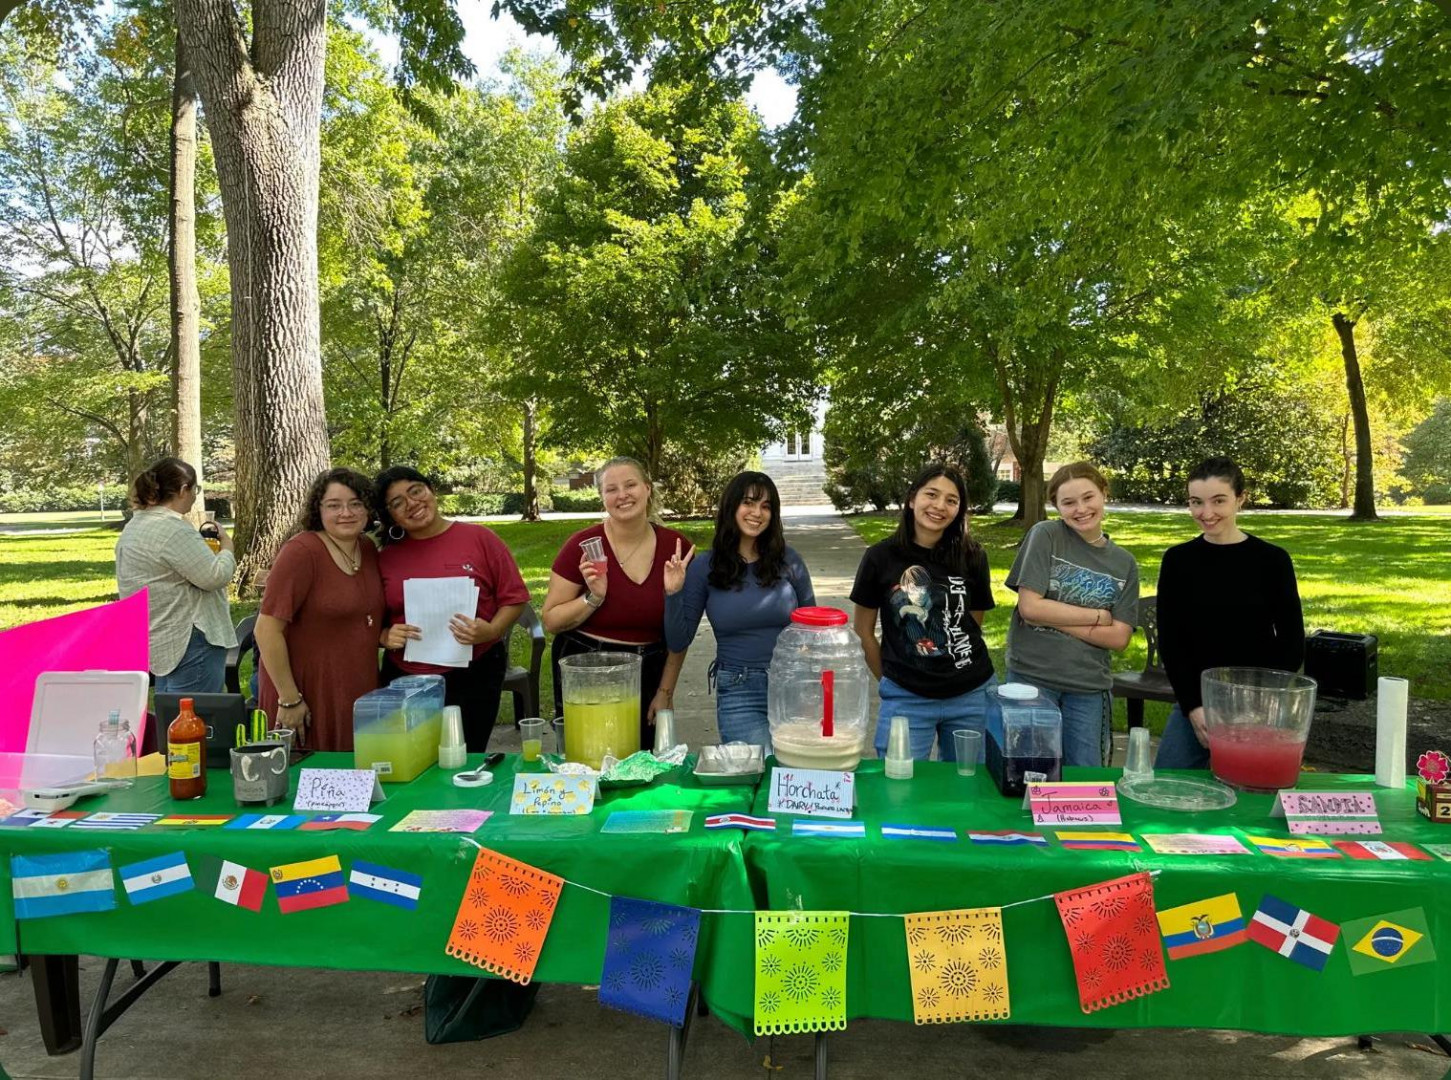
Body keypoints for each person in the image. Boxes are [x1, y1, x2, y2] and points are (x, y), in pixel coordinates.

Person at [1154, 457, 1305, 769]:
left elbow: (1291, 641)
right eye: (1196, 502)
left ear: (1241, 499)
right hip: (1198, 701)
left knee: (1251, 788)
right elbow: (1172, 641)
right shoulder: (1178, 561)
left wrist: (1262, 701)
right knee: (1169, 785)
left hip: (1258, 703)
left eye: (1218, 501)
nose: (1206, 513)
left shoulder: (1272, 561)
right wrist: (1192, 706)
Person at [374, 467, 529, 753]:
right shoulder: (385, 558)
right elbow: (367, 617)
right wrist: (384, 636)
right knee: (410, 759)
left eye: (416, 491)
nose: (411, 503)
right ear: (390, 515)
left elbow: (515, 597)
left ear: (431, 490)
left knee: (465, 757)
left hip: (475, 672)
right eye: (397, 503)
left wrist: (493, 629)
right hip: (406, 677)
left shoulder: (480, 539)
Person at [849, 463, 997, 761]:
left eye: (952, 500)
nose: (940, 506)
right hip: (906, 697)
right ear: (912, 498)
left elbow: (972, 622)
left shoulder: (973, 556)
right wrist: (890, 679)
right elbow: (863, 631)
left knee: (967, 791)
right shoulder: (880, 557)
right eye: (932, 494)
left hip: (971, 694)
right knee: (897, 789)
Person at [542, 456, 691, 748]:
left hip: (648, 668)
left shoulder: (677, 549)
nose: (622, 495)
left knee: (644, 766)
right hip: (587, 666)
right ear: (602, 498)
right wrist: (593, 597)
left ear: (647, 489)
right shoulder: (581, 547)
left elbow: (680, 632)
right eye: (611, 489)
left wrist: (666, 691)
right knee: (589, 762)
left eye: (630, 485)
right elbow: (551, 621)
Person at [663, 472, 815, 751]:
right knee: (759, 768)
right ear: (732, 506)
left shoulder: (789, 561)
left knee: (794, 772)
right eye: (749, 502)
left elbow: (812, 628)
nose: (757, 513)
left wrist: (808, 682)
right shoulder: (705, 567)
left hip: (791, 685)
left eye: (766, 506)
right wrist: (673, 593)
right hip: (739, 688)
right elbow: (677, 640)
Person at [1003, 462, 1139, 767]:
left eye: (1088, 497)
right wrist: (1097, 617)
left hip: (1088, 686)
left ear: (1104, 494)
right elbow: (1030, 608)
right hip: (1032, 679)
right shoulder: (1047, 535)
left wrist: (1050, 616)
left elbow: (1119, 638)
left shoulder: (1124, 563)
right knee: (1028, 772)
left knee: (1086, 779)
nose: (1081, 509)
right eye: (1068, 502)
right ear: (1057, 507)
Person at [254, 469, 385, 751]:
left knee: (354, 775)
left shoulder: (368, 548)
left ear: (367, 508)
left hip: (355, 683)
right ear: (318, 509)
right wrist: (289, 698)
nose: (346, 513)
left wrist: (384, 635)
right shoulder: (301, 552)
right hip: (307, 688)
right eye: (334, 505)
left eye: (356, 503)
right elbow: (266, 630)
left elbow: (363, 614)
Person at [115, 457, 237, 694]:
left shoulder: (135, 526)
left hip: (159, 635)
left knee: (171, 719)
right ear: (183, 490)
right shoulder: (173, 529)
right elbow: (214, 576)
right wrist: (227, 548)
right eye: (195, 490)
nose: (194, 496)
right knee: (198, 722)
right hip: (191, 636)